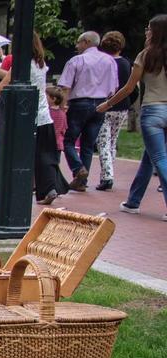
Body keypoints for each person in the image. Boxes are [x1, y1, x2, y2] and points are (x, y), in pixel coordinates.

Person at [0, 32, 68, 206]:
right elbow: (9, 75)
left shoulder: (22, 63)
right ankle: (49, 188)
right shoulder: (39, 63)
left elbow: (3, 85)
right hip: (44, 116)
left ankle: (11, 188)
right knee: (46, 155)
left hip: (27, 117)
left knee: (17, 154)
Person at [99, 14, 167, 219]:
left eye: (149, 28)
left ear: (156, 32)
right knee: (150, 157)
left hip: (153, 111)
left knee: (160, 158)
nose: (146, 31)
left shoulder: (145, 55)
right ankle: (133, 201)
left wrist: (108, 104)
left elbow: (129, 87)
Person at [60, 31, 119, 192]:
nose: (77, 46)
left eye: (78, 42)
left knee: (69, 140)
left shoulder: (77, 61)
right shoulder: (110, 61)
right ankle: (82, 182)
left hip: (79, 103)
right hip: (101, 105)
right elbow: (114, 87)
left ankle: (78, 169)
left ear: (86, 42)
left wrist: (63, 107)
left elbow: (66, 86)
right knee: (88, 144)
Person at [96, 31, 133, 192]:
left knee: (102, 140)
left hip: (106, 104)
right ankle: (110, 170)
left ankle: (107, 176)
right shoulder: (126, 64)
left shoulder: (103, 62)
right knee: (112, 140)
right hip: (122, 106)